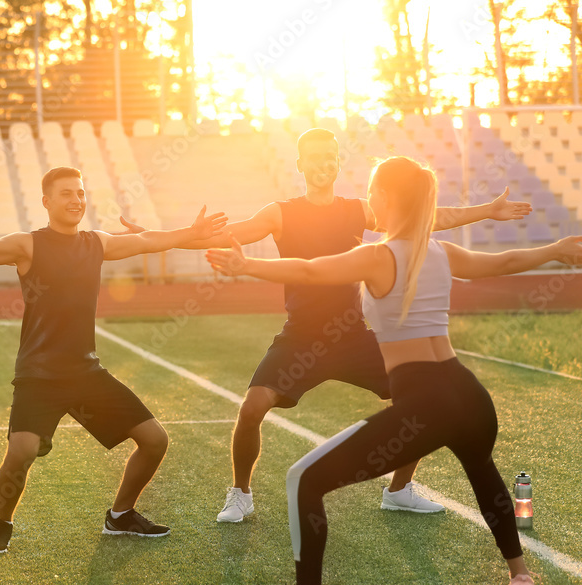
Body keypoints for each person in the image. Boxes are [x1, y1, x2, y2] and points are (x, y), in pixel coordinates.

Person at [205, 155, 581, 585]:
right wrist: (556, 249)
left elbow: (310, 269)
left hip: (426, 402)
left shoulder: (378, 255)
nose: (370, 199)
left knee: (303, 479)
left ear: (385, 197)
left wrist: (244, 264)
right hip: (468, 393)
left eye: (374, 192)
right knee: (482, 471)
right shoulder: (441, 251)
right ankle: (521, 578)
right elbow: (507, 262)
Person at [0, 166, 227, 554]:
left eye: (81, 193)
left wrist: (190, 233)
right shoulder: (28, 245)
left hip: (86, 372)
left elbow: (147, 241)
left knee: (154, 441)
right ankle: (1, 523)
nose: (76, 201)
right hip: (39, 376)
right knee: (20, 452)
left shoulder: (96, 243)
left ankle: (120, 516)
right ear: (47, 202)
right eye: (67, 194)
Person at [190, 128, 533, 522]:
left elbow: (424, 219)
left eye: (330, 156)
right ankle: (240, 494)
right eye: (314, 157)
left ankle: (400, 490)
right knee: (252, 408)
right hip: (300, 338)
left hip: (352, 335)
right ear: (300, 165)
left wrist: (487, 209)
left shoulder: (359, 209)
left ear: (338, 161)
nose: (323, 163)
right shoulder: (280, 212)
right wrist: (170, 238)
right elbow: (226, 234)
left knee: (422, 400)